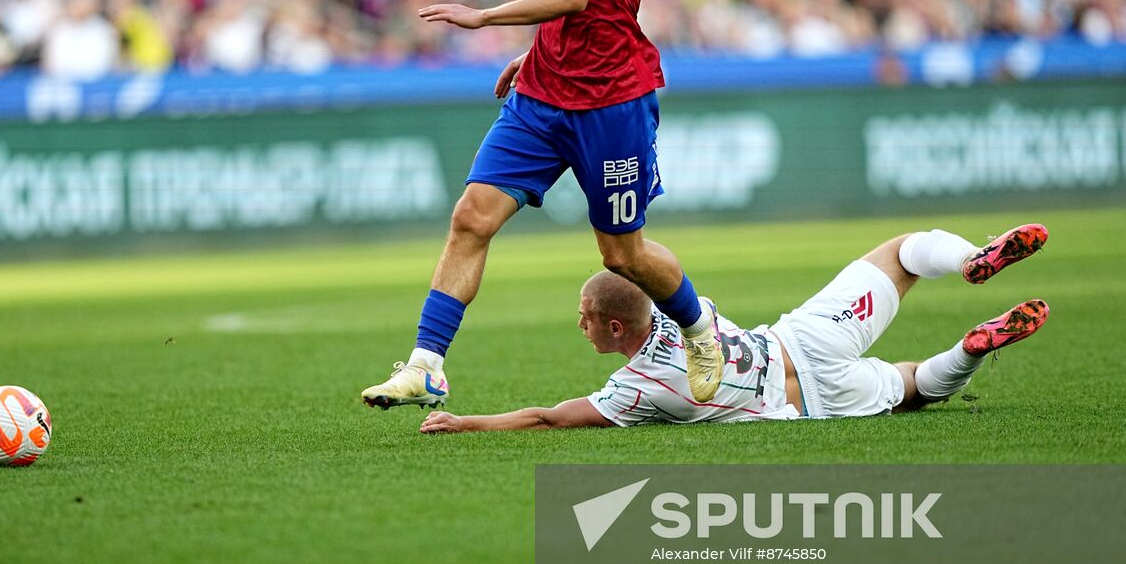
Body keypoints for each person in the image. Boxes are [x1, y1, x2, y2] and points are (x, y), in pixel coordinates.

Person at [363, 0, 722, 410]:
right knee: (472, 216)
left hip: (610, 100)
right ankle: (426, 364)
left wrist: (484, 17)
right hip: (544, 91)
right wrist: (531, 52)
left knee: (622, 255)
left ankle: (700, 331)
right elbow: (585, 3)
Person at [418, 223, 1050, 432]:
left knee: (916, 387)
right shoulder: (682, 309)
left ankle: (969, 348)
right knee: (908, 249)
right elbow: (654, 266)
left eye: (584, 318)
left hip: (812, 402)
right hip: (808, 336)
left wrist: (465, 421)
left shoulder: (635, 390)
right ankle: (971, 258)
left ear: (613, 326)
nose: (577, 326)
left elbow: (548, 417)